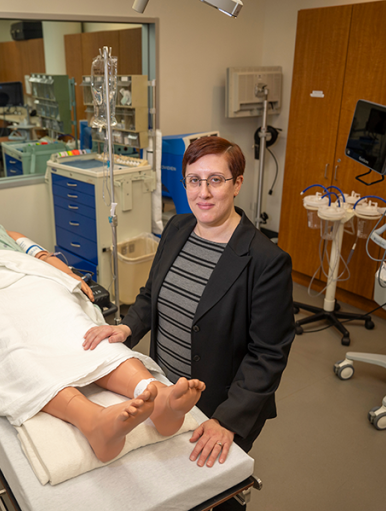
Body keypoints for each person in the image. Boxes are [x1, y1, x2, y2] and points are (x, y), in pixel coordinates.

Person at [0, 211, 206, 463]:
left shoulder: (1, 231)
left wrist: (71, 280)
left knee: (74, 322)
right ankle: (92, 422)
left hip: (24, 274)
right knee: (4, 333)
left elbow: (42, 257)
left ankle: (156, 395)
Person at [84, 137, 295, 488]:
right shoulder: (178, 229)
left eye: (216, 180)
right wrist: (126, 329)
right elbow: (152, 294)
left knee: (208, 491)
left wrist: (228, 420)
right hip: (164, 389)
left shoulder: (265, 262)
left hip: (218, 405)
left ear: (237, 183)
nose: (204, 193)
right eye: (194, 180)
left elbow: (268, 355)